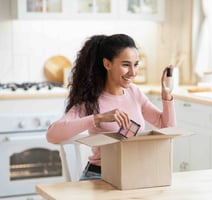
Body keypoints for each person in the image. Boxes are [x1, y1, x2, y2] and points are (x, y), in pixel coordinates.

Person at [46, 33, 176, 181]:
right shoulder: (90, 100)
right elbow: (52, 136)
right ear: (107, 64)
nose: (133, 72)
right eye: (126, 65)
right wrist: (99, 118)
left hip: (134, 174)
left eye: (136, 64)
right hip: (100, 175)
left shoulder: (134, 92)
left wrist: (167, 95)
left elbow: (167, 127)